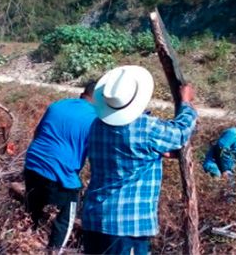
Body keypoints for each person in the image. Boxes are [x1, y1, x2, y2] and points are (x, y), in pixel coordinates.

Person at [81, 66, 197, 255]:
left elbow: (126, 152)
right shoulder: (144, 127)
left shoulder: (97, 125)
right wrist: (185, 103)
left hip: (94, 217)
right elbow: (180, 131)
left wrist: (154, 151)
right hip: (127, 225)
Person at [24, 81, 97, 253]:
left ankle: (21, 244)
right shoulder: (96, 119)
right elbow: (95, 157)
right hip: (61, 174)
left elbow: (37, 133)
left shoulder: (58, 104)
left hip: (33, 164)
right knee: (65, 221)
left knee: (30, 214)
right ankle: (54, 251)